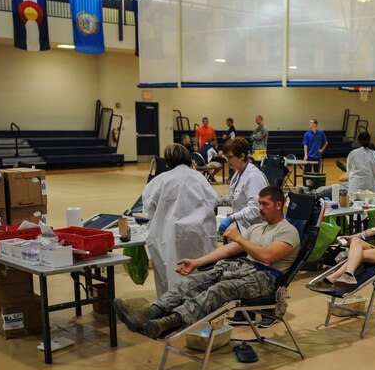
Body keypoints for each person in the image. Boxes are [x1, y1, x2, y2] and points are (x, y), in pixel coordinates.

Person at [113, 186, 300, 338]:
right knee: (191, 282)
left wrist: (240, 238)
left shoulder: (288, 231)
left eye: (265, 204)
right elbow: (228, 249)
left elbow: (267, 257)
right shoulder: (257, 228)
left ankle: (169, 322)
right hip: (244, 270)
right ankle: (150, 312)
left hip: (265, 280)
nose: (260, 208)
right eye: (259, 203)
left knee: (219, 290)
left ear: (278, 205)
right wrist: (197, 262)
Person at [141, 144, 218, 298]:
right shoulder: (200, 178)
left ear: (168, 162)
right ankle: (200, 310)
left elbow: (149, 208)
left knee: (170, 275)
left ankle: (170, 312)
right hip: (199, 235)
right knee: (199, 277)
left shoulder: (160, 181)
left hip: (167, 236)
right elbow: (213, 201)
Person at [219, 137, 269, 232]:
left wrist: (233, 217)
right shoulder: (237, 174)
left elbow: (256, 208)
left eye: (230, 157)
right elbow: (235, 197)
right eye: (226, 157)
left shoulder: (253, 177)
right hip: (243, 227)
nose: (227, 161)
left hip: (257, 230)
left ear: (242, 156)